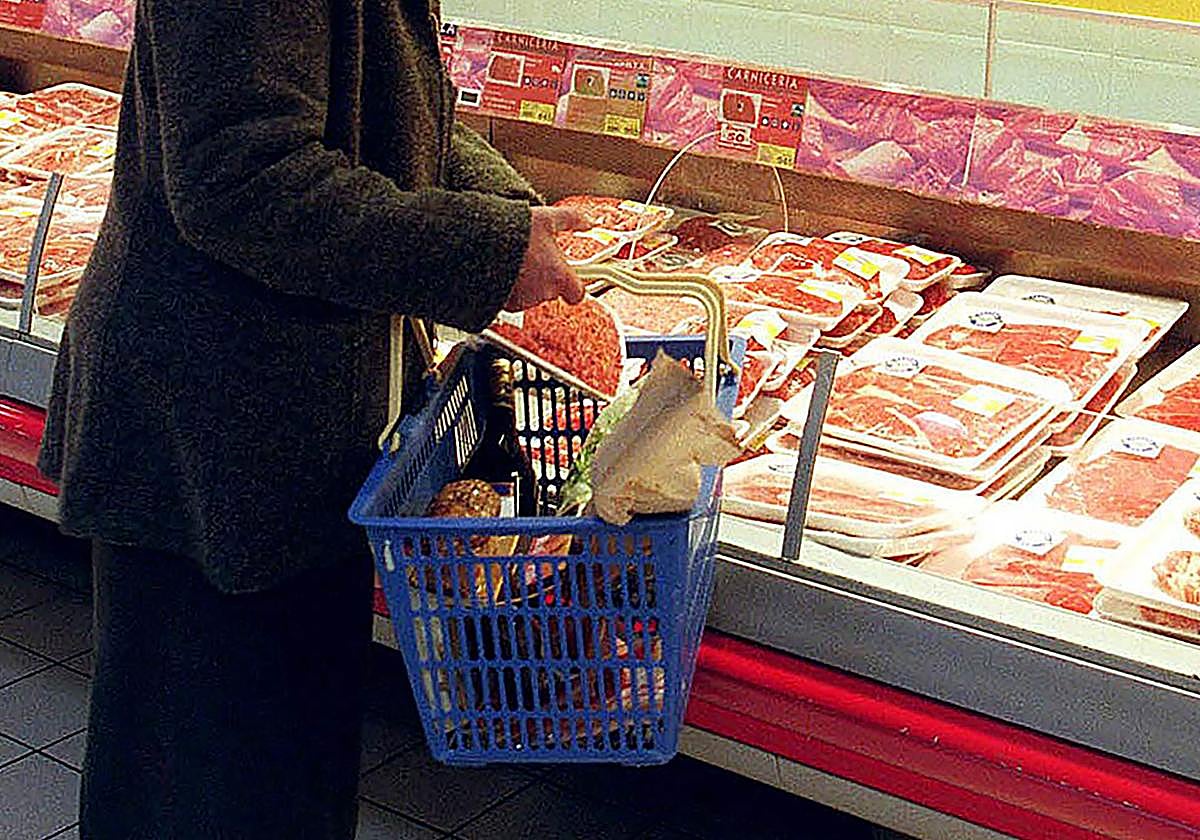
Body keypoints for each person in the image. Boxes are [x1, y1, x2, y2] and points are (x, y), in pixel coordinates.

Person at [36, 0, 588, 837]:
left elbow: (382, 117)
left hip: (292, 425)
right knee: (200, 780)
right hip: (214, 431)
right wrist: (486, 248)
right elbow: (240, 175)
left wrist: (512, 218)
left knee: (284, 772)